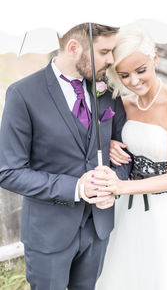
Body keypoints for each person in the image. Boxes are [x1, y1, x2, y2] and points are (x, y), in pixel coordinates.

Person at [0, 23, 130, 290]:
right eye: (104, 51)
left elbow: (123, 153)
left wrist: (114, 185)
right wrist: (76, 187)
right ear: (73, 48)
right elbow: (9, 171)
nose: (112, 60)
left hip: (98, 229)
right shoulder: (23, 95)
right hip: (49, 235)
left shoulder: (106, 90)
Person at [94, 26, 167, 290]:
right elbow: (122, 146)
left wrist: (120, 187)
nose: (133, 81)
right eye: (124, 75)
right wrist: (110, 145)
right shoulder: (126, 104)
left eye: (141, 70)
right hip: (130, 211)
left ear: (154, 58)